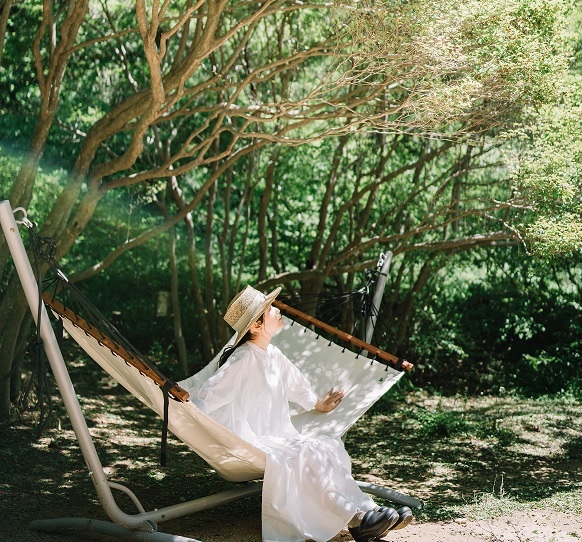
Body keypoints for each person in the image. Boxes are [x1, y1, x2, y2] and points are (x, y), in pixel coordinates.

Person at [192, 285, 413, 542]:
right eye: (269, 308)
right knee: (303, 452)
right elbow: (206, 395)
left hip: (278, 435)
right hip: (255, 439)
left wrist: (318, 404)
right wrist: (189, 414)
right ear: (256, 326)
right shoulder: (242, 359)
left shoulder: (272, 354)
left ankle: (369, 512)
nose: (277, 310)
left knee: (325, 445)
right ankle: (356, 520)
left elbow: (297, 385)